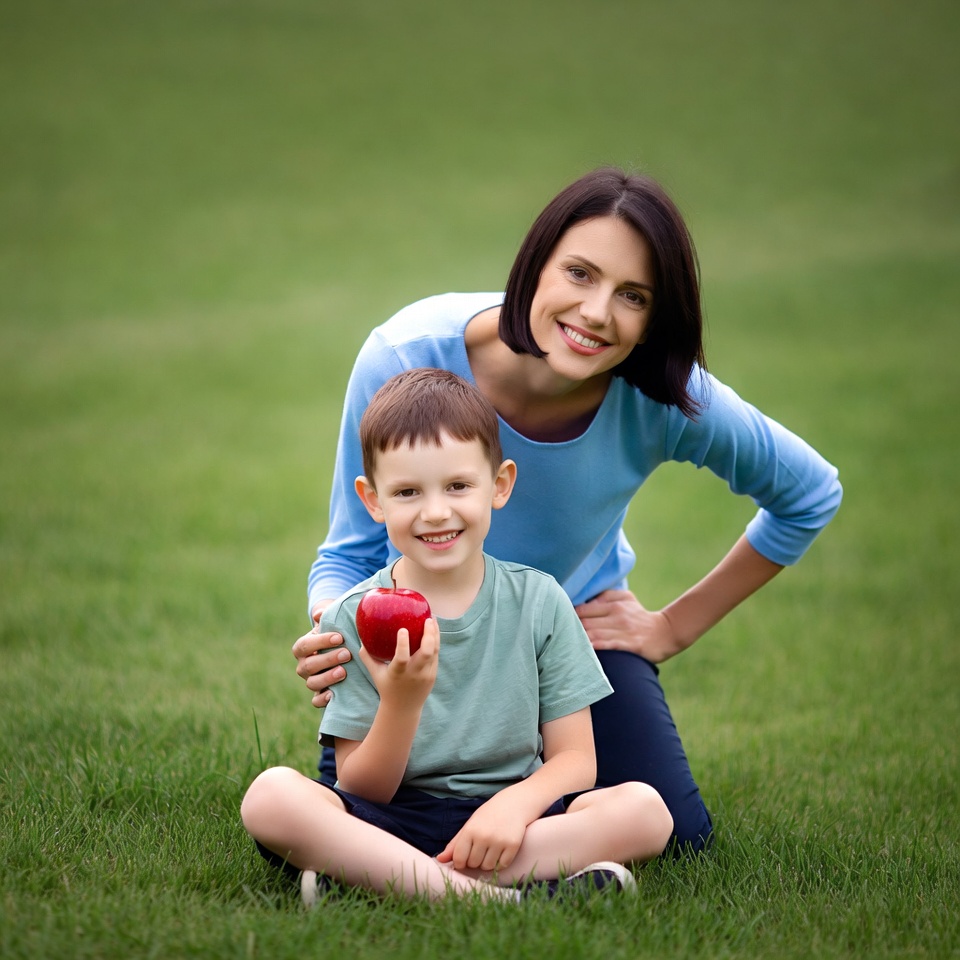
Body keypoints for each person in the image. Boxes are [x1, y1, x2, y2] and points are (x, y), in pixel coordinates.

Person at [294, 167, 843, 855]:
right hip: (425, 641)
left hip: (566, 634)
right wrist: (332, 624)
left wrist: (670, 628)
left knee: (678, 833)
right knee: (344, 805)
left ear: (653, 320)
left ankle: (434, 858)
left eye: (632, 296)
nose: (596, 313)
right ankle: (486, 867)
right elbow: (346, 551)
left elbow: (808, 494)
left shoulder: (663, 398)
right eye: (580, 273)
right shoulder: (408, 356)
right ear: (536, 263)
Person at [241, 368, 674, 903]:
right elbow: (360, 788)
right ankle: (502, 900)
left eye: (458, 485)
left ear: (499, 485)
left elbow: (575, 761)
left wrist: (513, 806)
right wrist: (402, 701)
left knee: (645, 811)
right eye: (406, 492)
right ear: (372, 500)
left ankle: (379, 882)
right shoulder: (354, 616)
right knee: (271, 797)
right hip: (390, 818)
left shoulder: (540, 602)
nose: (436, 511)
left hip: (512, 821)